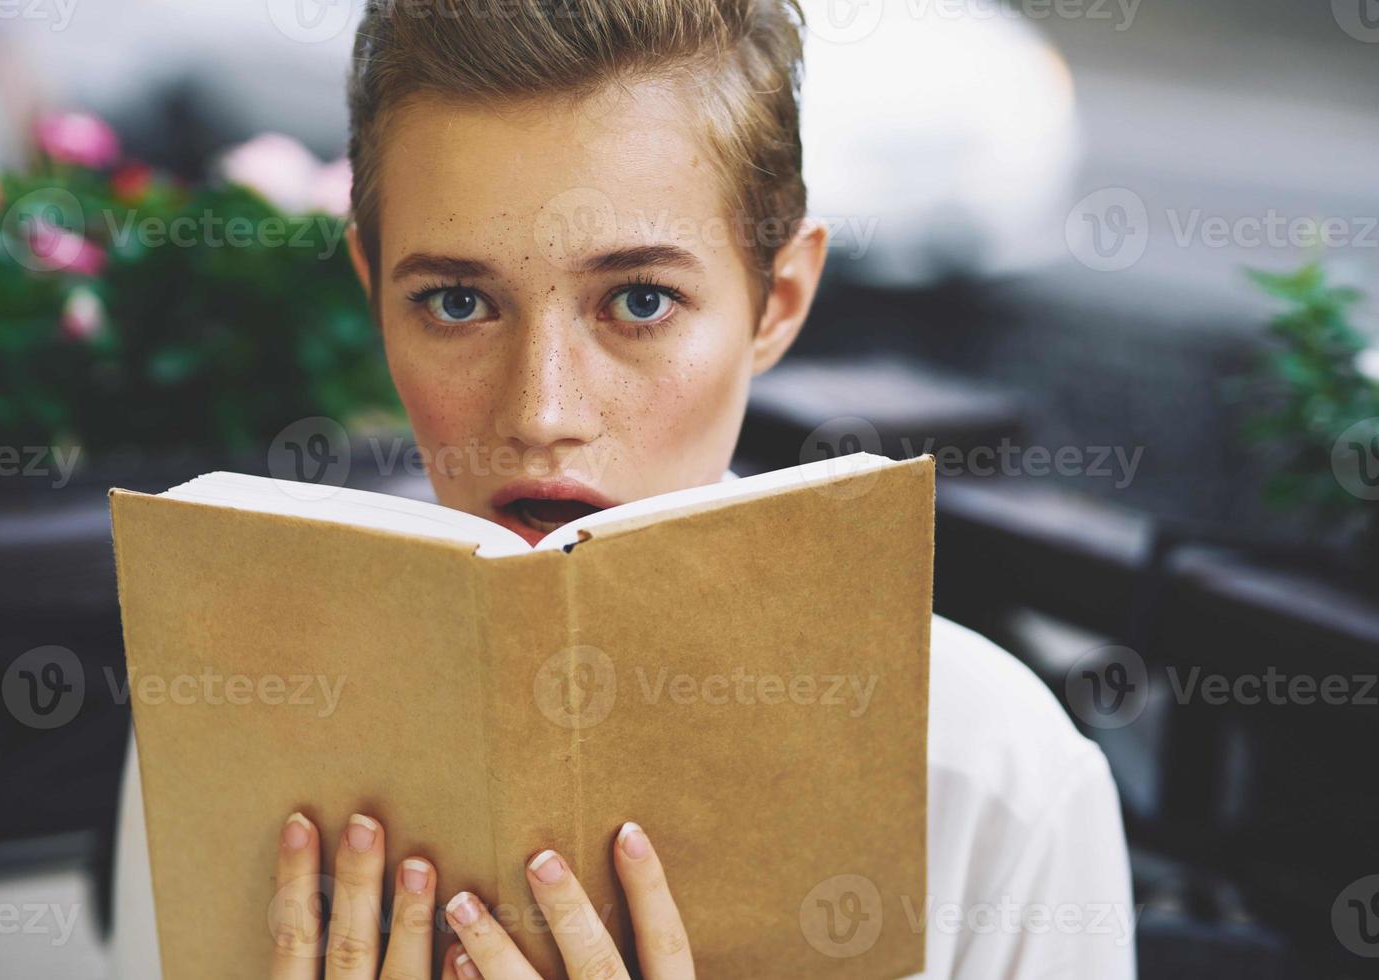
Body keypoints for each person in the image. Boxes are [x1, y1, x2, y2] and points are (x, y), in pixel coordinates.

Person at [111, 0, 1137, 976]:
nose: (542, 409)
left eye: (639, 300)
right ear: (374, 292)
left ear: (776, 301)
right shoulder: (225, 715)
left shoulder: (991, 774)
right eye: (458, 301)